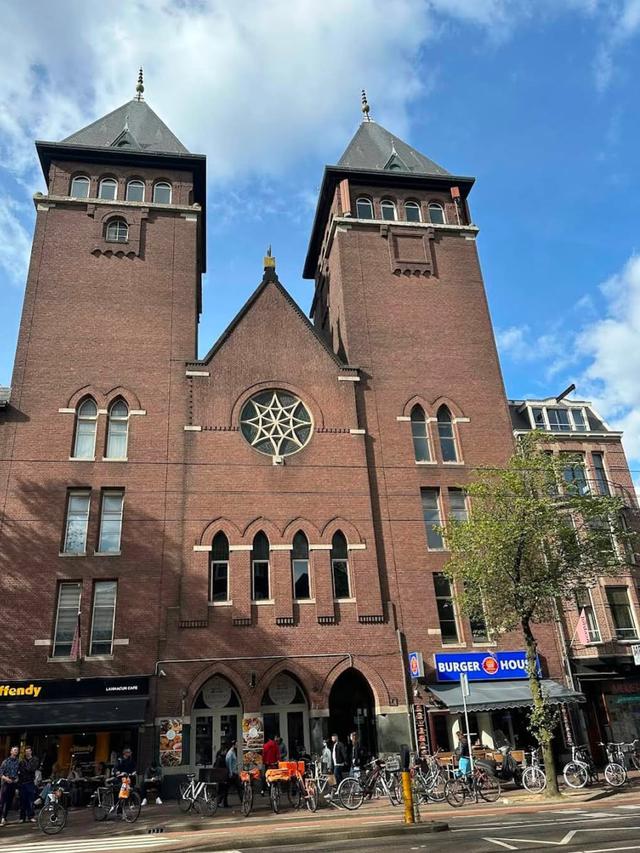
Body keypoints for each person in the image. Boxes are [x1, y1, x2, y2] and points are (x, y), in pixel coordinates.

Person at [0, 746, 21, 826]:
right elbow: (1, 773)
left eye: (17, 750)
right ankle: (2, 818)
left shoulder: (18, 762)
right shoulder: (6, 761)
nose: (16, 751)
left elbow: (19, 773)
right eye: (14, 750)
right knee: (3, 801)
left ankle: (4, 818)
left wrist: (17, 779)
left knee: (9, 802)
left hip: (14, 783)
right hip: (6, 782)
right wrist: (6, 779)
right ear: (11, 752)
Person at [18, 747, 40, 823]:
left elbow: (32, 769)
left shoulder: (35, 759)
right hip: (22, 783)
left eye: (28, 751)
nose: (27, 753)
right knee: (22, 801)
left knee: (30, 800)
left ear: (31, 752)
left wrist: (26, 768)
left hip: (30, 782)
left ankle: (31, 816)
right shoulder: (22, 761)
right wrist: (26, 769)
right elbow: (20, 771)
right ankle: (22, 817)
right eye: (26, 751)